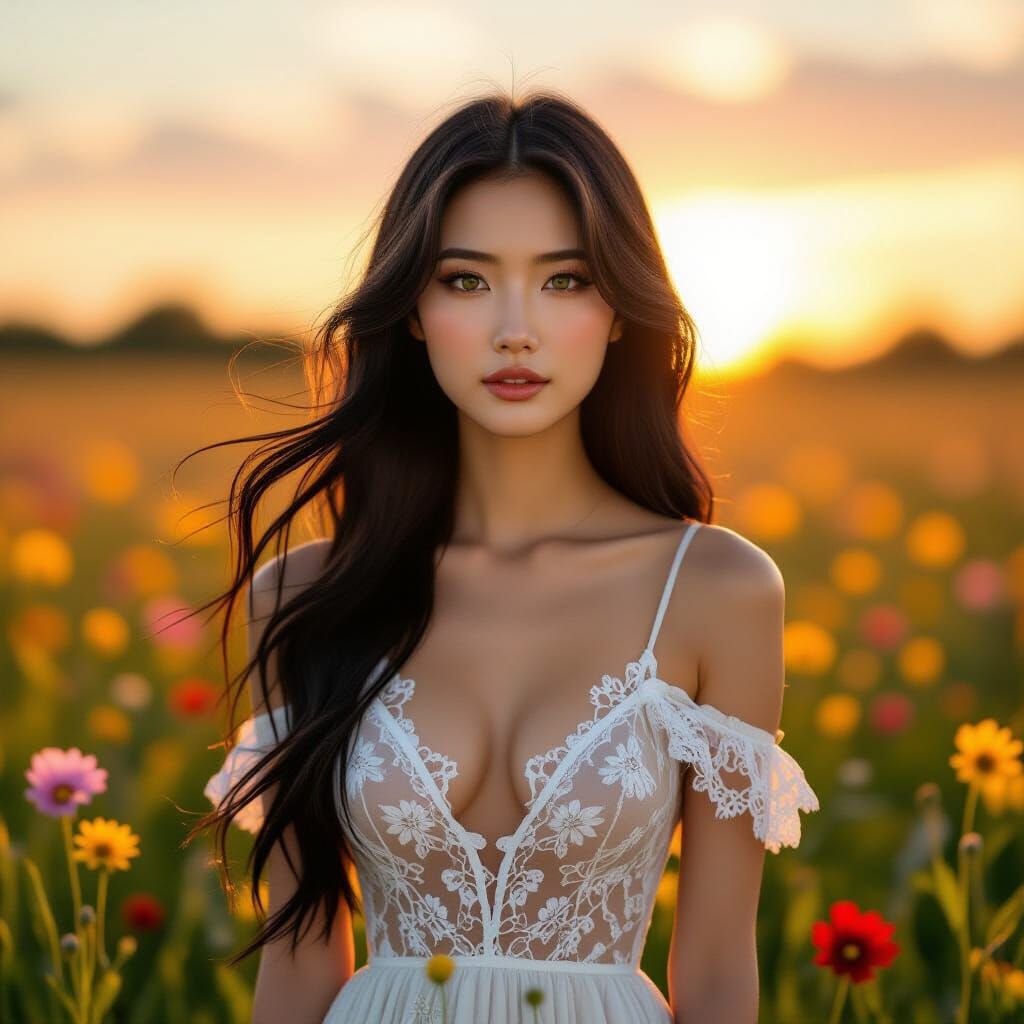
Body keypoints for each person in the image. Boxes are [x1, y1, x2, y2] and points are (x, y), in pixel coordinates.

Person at [191, 88, 820, 1024]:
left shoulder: (716, 589)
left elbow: (720, 972)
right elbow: (298, 966)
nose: (514, 329)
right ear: (411, 310)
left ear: (620, 310)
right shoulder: (307, 593)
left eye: (565, 280)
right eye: (466, 280)